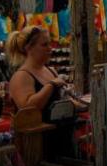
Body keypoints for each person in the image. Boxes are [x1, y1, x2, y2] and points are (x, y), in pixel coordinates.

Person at [6, 26, 86, 156]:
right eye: (44, 45)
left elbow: (59, 100)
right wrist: (51, 85)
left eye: (49, 43)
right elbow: (28, 109)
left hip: (63, 138)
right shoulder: (21, 76)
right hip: (41, 146)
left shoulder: (50, 70)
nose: (50, 48)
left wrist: (82, 104)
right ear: (29, 48)